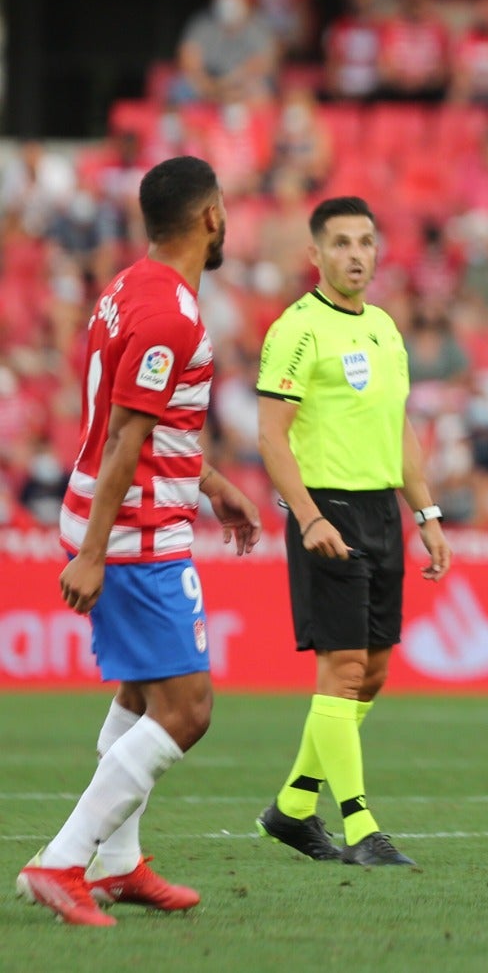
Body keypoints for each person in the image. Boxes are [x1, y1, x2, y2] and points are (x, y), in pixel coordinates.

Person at [17, 157, 264, 927]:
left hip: (124, 513)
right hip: (131, 531)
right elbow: (125, 435)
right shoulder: (173, 316)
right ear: (211, 217)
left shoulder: (129, 288)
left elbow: (148, 423)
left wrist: (212, 482)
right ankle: (61, 862)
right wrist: (93, 552)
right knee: (187, 710)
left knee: (141, 693)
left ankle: (119, 865)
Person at [253, 197, 453, 867]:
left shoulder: (386, 330)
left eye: (366, 241)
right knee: (339, 671)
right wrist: (308, 517)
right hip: (328, 509)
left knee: (371, 673)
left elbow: (399, 431)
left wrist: (425, 515)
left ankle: (292, 806)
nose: (356, 254)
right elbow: (271, 437)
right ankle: (363, 828)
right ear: (315, 255)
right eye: (340, 243)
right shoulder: (297, 330)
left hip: (382, 514)